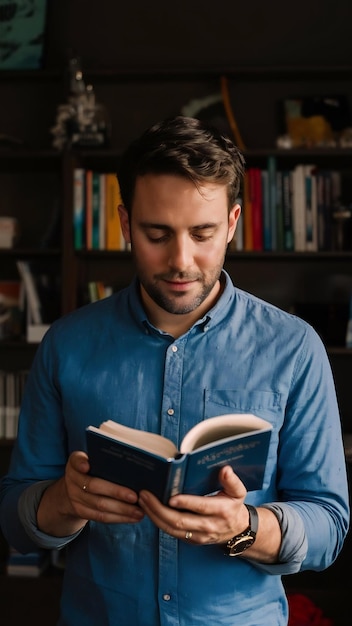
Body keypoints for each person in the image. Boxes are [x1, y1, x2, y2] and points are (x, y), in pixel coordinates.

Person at [0, 116, 349, 626]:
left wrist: (245, 526)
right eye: (157, 234)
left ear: (231, 224)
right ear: (124, 223)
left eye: (202, 233)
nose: (181, 261)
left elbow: (330, 524)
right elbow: (14, 517)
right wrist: (63, 502)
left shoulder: (295, 348)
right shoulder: (67, 345)